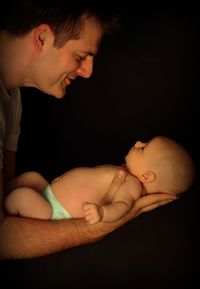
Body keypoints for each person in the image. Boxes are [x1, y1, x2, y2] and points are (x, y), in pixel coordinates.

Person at [0, 1, 176, 259]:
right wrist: (102, 225)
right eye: (81, 57)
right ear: (42, 38)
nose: (88, 72)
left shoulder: (11, 96)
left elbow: (5, 195)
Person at [5, 136, 195, 224]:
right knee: (31, 178)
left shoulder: (132, 187)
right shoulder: (125, 173)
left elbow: (122, 207)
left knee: (21, 197)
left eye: (143, 148)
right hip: (50, 193)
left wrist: (102, 212)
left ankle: (5, 211)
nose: (138, 143)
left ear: (146, 176)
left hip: (54, 211)